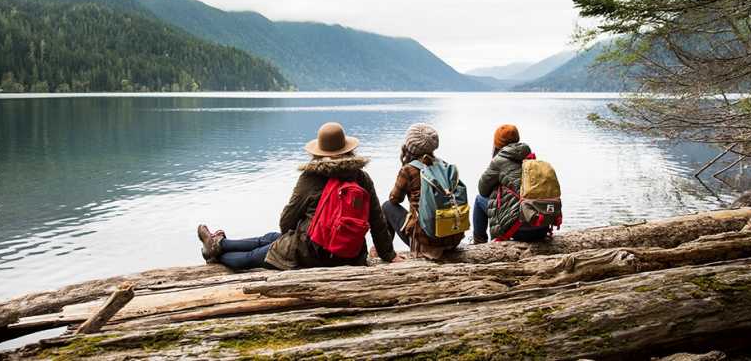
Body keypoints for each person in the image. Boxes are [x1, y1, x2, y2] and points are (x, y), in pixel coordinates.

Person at [198, 122, 400, 270]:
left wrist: (292, 235)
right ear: (348, 150)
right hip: (350, 254)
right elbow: (377, 220)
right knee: (269, 238)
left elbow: (286, 221)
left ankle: (214, 254)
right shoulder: (361, 178)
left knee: (252, 257)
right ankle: (219, 243)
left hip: (310, 252)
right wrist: (388, 255)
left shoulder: (311, 177)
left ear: (320, 151)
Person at [382, 123, 464, 259]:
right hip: (452, 239)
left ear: (410, 146)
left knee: (387, 206)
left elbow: (394, 199)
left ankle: (386, 252)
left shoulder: (408, 170)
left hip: (426, 242)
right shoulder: (444, 166)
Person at [473, 124, 550, 243]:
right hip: (542, 225)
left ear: (497, 143)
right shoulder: (529, 157)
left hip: (520, 230)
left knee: (479, 200)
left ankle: (479, 243)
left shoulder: (499, 161)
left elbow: (482, 189)